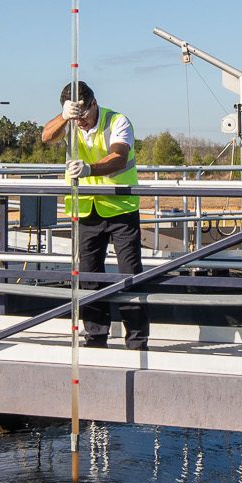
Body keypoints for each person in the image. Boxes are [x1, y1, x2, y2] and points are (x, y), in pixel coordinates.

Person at [41, 81, 148, 350]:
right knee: (89, 278)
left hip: (120, 209)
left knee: (130, 277)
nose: (82, 123)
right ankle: (95, 338)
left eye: (84, 116)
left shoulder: (117, 121)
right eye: (76, 118)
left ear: (93, 103)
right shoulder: (70, 122)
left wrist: (89, 169)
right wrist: (65, 117)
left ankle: (136, 342)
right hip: (85, 210)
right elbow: (46, 136)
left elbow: (119, 157)